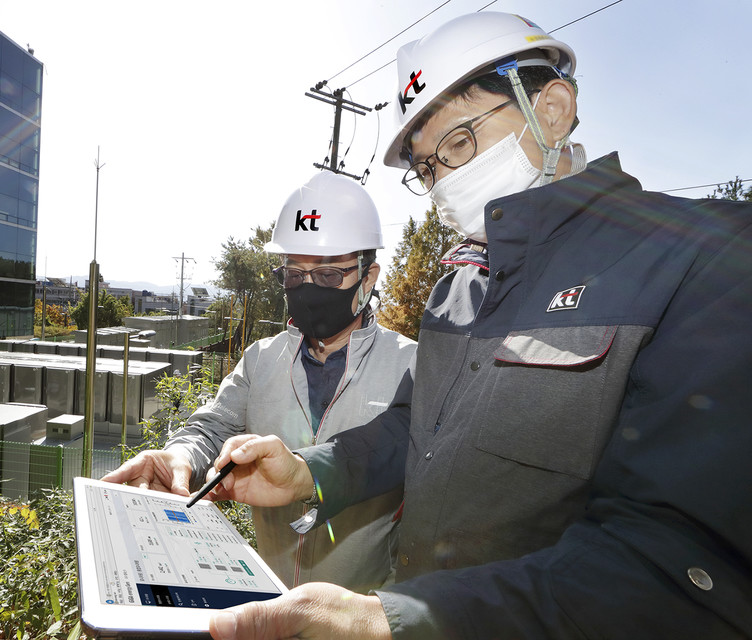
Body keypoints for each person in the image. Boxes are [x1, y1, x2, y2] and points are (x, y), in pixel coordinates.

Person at [198, 11, 752, 640]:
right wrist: (310, 471)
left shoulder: (704, 257)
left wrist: (399, 620)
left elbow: (679, 566)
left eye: (459, 144)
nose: (445, 182)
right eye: (429, 168)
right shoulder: (456, 290)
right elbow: (418, 431)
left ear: (552, 107)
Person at [103, 171, 417, 592]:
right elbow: (212, 427)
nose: (308, 288)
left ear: (369, 276)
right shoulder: (261, 359)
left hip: (358, 618)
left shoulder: (411, 367)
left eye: (327, 276)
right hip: (268, 603)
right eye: (293, 274)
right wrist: (180, 455)